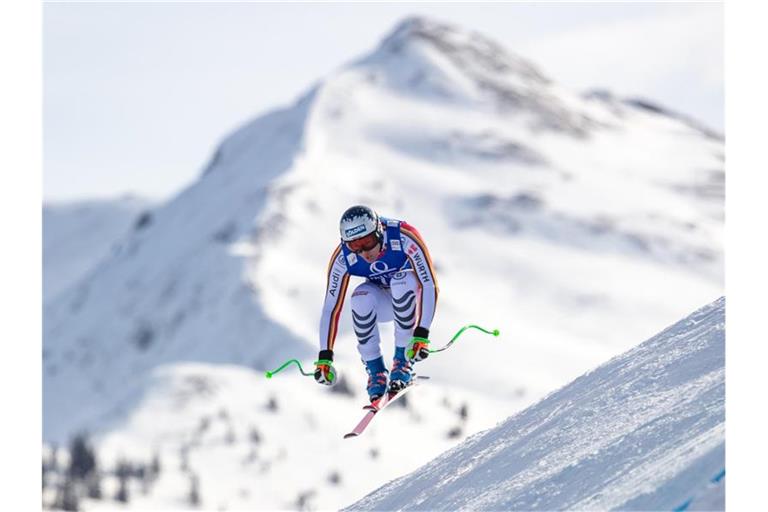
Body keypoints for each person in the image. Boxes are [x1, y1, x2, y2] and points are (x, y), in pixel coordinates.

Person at [314, 205, 439, 402]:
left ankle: (403, 361)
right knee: (359, 297)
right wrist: (325, 357)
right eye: (355, 246)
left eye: (368, 242)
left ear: (379, 231)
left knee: (400, 281)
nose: (364, 252)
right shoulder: (342, 257)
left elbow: (429, 285)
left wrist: (421, 334)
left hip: (410, 294)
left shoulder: (403, 235)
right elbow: (331, 307)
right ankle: (376, 373)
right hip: (383, 302)